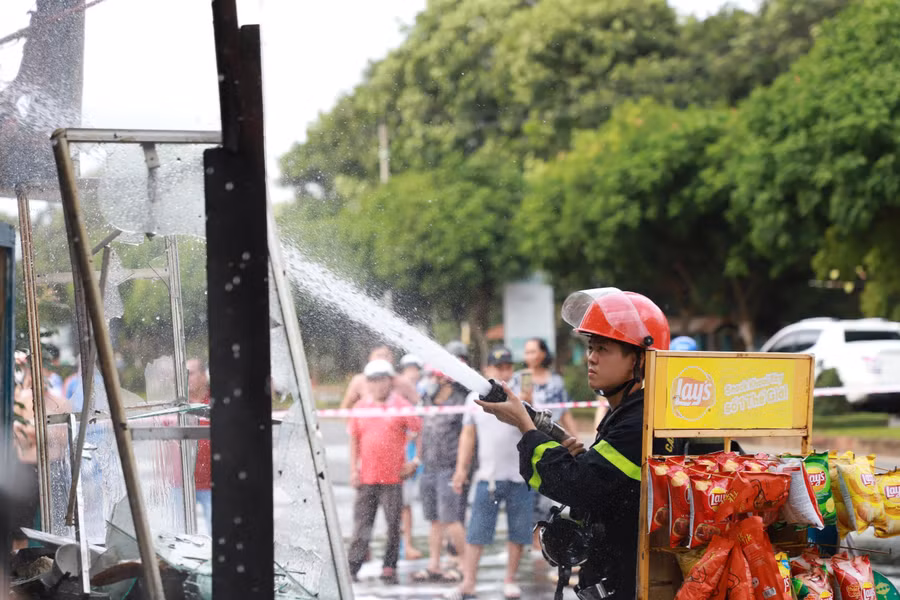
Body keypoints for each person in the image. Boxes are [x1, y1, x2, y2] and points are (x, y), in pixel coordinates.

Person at [476, 288, 685, 600]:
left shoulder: (640, 421)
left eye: (603, 348)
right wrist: (577, 458)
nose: (592, 357)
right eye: (590, 347)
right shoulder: (634, 414)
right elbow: (608, 486)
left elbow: (576, 485)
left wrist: (525, 426)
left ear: (641, 361)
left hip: (630, 585)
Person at [448, 346, 534, 600]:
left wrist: (528, 396)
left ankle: (510, 579)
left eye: (508, 366)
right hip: (488, 476)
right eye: (498, 367)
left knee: (518, 532)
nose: (504, 371)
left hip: (520, 476)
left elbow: (533, 424)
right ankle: (469, 581)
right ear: (487, 370)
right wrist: (461, 469)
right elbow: (468, 435)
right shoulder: (474, 397)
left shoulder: (521, 394)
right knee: (477, 531)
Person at [347, 359, 422, 584]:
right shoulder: (360, 408)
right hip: (367, 477)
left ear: (390, 381)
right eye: (374, 381)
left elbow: (419, 431)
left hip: (393, 478)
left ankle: (389, 566)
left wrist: (415, 461)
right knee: (362, 524)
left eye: (383, 380)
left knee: (393, 525)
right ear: (368, 383)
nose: (379, 385)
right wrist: (353, 470)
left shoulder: (401, 405)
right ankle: (353, 566)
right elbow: (354, 439)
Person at [509, 337, 578, 563]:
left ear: (542, 354)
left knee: (548, 492)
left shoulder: (556, 381)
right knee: (529, 488)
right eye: (526, 352)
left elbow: (565, 411)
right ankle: (528, 540)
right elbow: (513, 410)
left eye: (533, 351)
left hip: (554, 440)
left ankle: (544, 538)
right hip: (530, 439)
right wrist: (524, 400)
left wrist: (574, 435)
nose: (529, 356)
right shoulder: (519, 379)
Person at [412, 341, 470, 584]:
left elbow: (467, 439)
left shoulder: (460, 402)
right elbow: (422, 433)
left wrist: (460, 470)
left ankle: (467, 566)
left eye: (432, 377)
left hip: (448, 469)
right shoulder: (427, 401)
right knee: (434, 520)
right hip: (429, 468)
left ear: (445, 380)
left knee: (451, 520)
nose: (428, 382)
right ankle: (434, 565)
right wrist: (417, 459)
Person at [398, 353, 425, 559]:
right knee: (400, 503)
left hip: (418, 453)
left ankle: (407, 544)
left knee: (411, 502)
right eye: (408, 369)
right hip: (400, 452)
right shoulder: (396, 394)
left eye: (414, 369)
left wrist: (417, 459)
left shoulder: (424, 393)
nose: (411, 373)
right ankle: (403, 544)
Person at [341, 345, 419, 409]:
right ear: (370, 357)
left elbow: (419, 406)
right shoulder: (359, 381)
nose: (383, 359)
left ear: (392, 359)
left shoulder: (402, 381)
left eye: (387, 356)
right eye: (379, 355)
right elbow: (346, 408)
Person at [188, 358, 212, 533]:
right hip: (181, 483)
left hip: (211, 482)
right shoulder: (178, 405)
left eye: (190, 373)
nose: (187, 378)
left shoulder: (214, 402)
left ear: (203, 376)